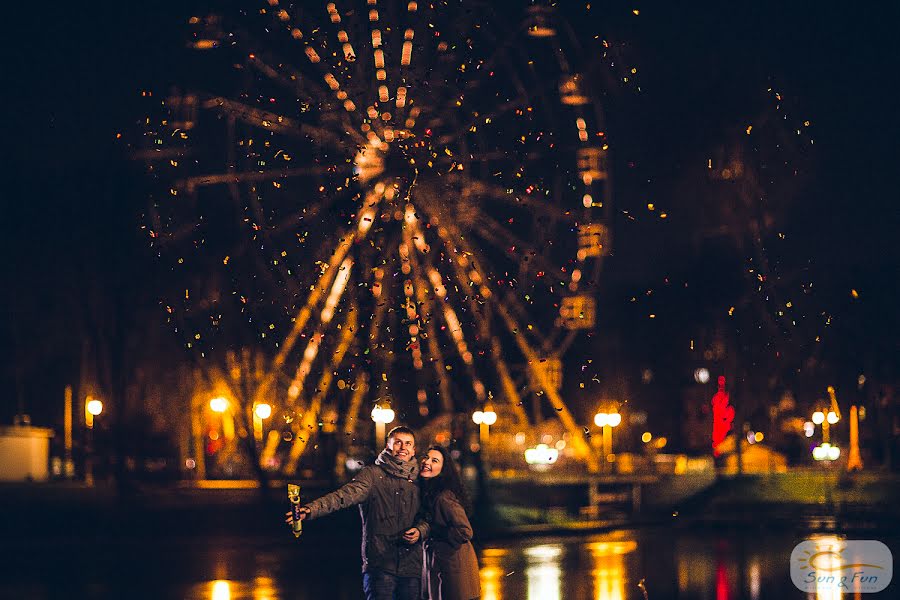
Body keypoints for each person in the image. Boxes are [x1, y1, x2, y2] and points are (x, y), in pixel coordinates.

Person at [285, 426, 429, 600]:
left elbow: (429, 516)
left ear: (414, 449)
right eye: (398, 442)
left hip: (412, 567)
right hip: (380, 566)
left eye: (408, 444)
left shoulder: (421, 480)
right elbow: (343, 496)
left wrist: (421, 530)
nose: (403, 447)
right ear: (388, 445)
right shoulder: (372, 475)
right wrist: (310, 510)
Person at [419, 445, 481, 600]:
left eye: (435, 461)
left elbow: (465, 531)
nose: (427, 462)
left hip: (453, 568)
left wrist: (434, 530)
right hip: (443, 564)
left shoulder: (443, 497)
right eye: (426, 457)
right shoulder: (429, 492)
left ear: (443, 469)